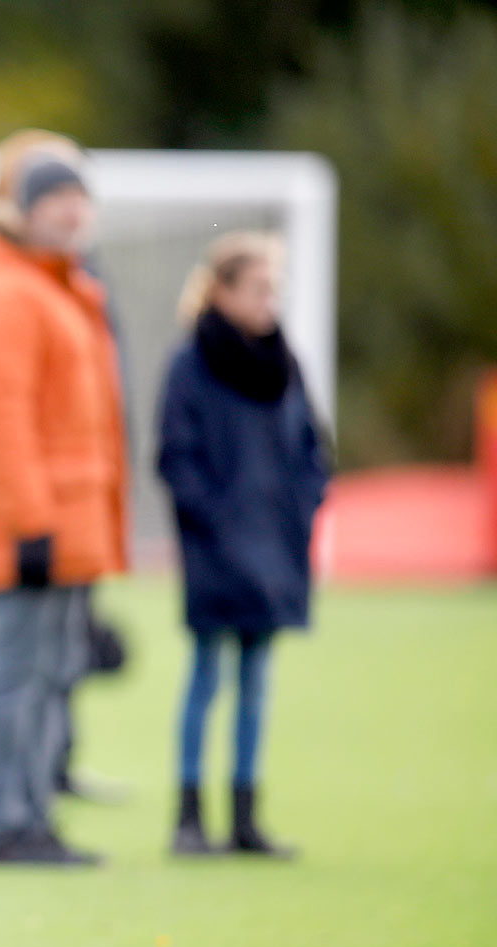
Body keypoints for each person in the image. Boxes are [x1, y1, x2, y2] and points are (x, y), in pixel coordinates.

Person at [0, 133, 129, 865]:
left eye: (79, 198)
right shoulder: (4, 288)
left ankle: (31, 816)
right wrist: (28, 523)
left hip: (65, 519)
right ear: (20, 211)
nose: (71, 212)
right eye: (54, 199)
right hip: (32, 523)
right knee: (15, 672)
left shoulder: (60, 285)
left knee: (47, 672)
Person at [157, 230, 330, 858]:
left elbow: (314, 449)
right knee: (207, 676)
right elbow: (176, 459)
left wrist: (301, 509)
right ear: (222, 290)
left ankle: (246, 815)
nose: (269, 302)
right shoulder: (190, 364)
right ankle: (188, 815)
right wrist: (219, 523)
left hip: (275, 547)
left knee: (257, 679)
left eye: (273, 289)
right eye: (258, 288)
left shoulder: (284, 362)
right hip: (217, 551)